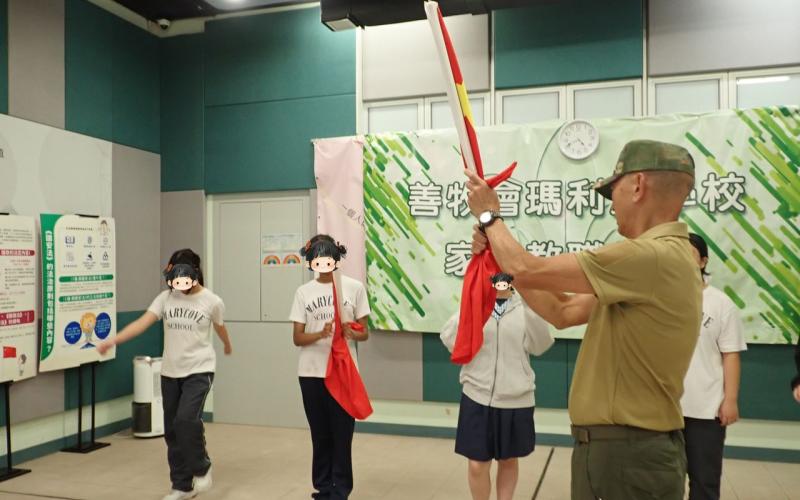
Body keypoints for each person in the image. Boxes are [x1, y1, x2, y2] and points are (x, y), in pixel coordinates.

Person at [465, 139, 702, 500]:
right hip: (626, 451)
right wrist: (499, 255)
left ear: (638, 185)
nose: (611, 206)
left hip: (626, 455)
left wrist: (489, 217)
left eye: (613, 192)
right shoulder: (659, 263)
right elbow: (562, 311)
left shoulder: (652, 256)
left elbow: (526, 268)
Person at [98, 249, 231, 500]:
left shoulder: (211, 301)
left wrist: (226, 344)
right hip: (170, 372)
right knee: (172, 430)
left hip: (199, 370)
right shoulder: (165, 298)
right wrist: (113, 340)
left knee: (186, 420)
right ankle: (182, 486)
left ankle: (201, 466)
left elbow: (220, 326)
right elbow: (142, 323)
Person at [440, 272, 553, 500]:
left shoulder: (524, 307)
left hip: (516, 398)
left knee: (508, 460)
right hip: (476, 395)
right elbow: (450, 339)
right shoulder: (477, 304)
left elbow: (541, 345)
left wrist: (530, 303)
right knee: (477, 465)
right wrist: (473, 302)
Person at [289, 234, 370, 499]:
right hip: (311, 373)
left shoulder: (354, 288)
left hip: (343, 371)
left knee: (342, 434)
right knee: (320, 433)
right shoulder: (304, 292)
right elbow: (297, 338)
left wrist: (351, 332)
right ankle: (323, 487)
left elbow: (364, 333)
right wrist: (321, 334)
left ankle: (341, 489)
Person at [681, 232, 747, 500]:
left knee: (704, 482)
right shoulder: (658, 298)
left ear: (703, 261)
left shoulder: (721, 304)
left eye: (689, 254)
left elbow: (730, 355)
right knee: (661, 482)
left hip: (705, 409)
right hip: (662, 408)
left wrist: (730, 400)